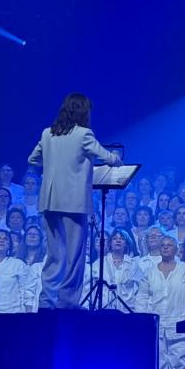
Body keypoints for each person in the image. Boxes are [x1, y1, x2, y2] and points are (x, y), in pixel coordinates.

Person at [27, 93, 122, 309]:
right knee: (74, 255)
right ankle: (67, 302)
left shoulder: (48, 133)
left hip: (50, 201)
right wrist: (117, 158)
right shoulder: (84, 134)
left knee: (54, 254)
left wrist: (53, 162)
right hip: (74, 202)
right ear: (84, 112)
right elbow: (107, 157)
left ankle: (46, 301)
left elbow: (32, 159)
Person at [139, 236, 185, 369]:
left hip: (180, 322)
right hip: (157, 324)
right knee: (159, 362)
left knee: (181, 361)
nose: (165, 248)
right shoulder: (150, 272)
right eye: (163, 245)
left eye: (169, 245)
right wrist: (143, 320)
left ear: (176, 248)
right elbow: (142, 297)